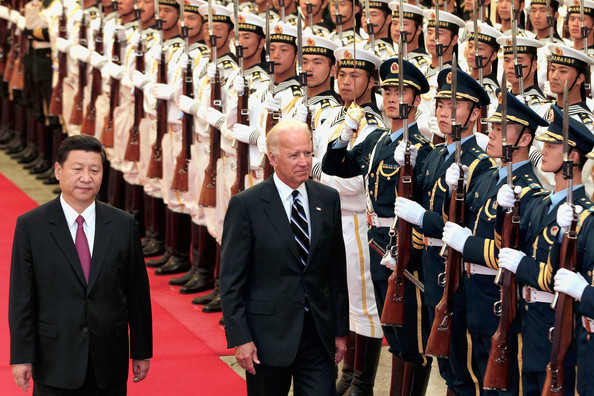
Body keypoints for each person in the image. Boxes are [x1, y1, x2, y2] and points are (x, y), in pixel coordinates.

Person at [9, 134, 153, 394]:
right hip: (54, 360)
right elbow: (22, 298)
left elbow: (138, 295)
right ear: (58, 171)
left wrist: (142, 351)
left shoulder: (123, 225)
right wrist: (21, 356)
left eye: (94, 170)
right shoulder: (32, 226)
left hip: (109, 359)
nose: (86, 178)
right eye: (77, 169)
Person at [220, 120, 349, 395]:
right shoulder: (246, 205)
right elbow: (231, 280)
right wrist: (240, 338)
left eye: (308, 153)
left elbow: (336, 271)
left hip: (317, 336)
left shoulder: (328, 199)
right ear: (273, 158)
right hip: (267, 340)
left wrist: (340, 331)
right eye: (294, 155)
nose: (304, 162)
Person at [497, 106, 594, 395]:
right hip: (531, 323)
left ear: (572, 157)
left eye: (552, 145)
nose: (544, 150)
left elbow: (562, 276)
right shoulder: (540, 203)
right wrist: (506, 213)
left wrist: (524, 265)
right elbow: (509, 248)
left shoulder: (585, 217)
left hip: (558, 325)